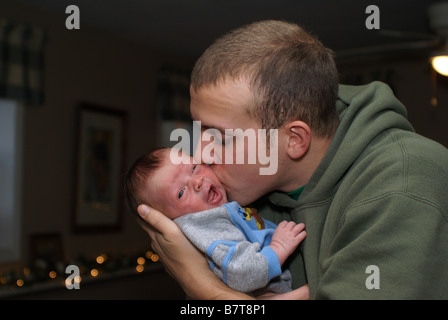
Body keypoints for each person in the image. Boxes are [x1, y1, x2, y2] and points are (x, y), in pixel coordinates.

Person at [136, 20, 448, 299]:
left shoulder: (405, 186)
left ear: (294, 140)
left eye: (220, 135)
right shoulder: (239, 195)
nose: (202, 151)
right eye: (198, 130)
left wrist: (200, 283)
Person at [125, 147, 307, 297]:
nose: (197, 181)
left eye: (194, 167)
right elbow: (241, 273)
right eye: (180, 193)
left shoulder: (223, 206)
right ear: (170, 220)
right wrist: (279, 247)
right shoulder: (205, 227)